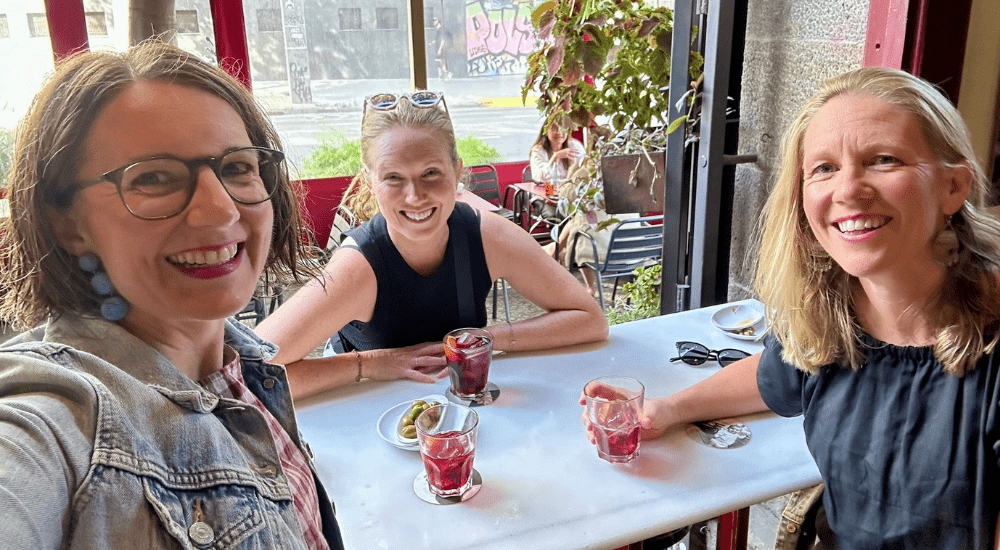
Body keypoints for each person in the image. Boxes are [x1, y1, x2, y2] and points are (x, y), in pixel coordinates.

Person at [583, 66, 1000, 548]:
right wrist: (666, 408)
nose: (847, 191)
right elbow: (779, 371)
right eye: (824, 168)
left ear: (953, 187)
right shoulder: (833, 316)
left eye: (883, 159)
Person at [0, 40, 345, 549]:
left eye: (236, 168)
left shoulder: (243, 369)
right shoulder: (56, 416)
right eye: (154, 177)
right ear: (69, 224)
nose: (220, 211)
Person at [256, 92, 608, 399]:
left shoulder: (487, 236)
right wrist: (370, 364)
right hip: (371, 419)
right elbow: (248, 372)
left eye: (431, 173)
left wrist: (485, 340)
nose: (415, 197)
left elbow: (590, 320)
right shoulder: (359, 267)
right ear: (370, 182)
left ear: (456, 171)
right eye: (394, 177)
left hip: (463, 414)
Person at [529, 120, 586, 186]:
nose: (559, 132)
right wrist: (555, 157)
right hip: (547, 188)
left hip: (570, 189)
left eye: (563, 128)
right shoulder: (538, 150)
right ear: (546, 131)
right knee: (550, 194)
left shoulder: (575, 145)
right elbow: (539, 177)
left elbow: (585, 168)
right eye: (554, 128)